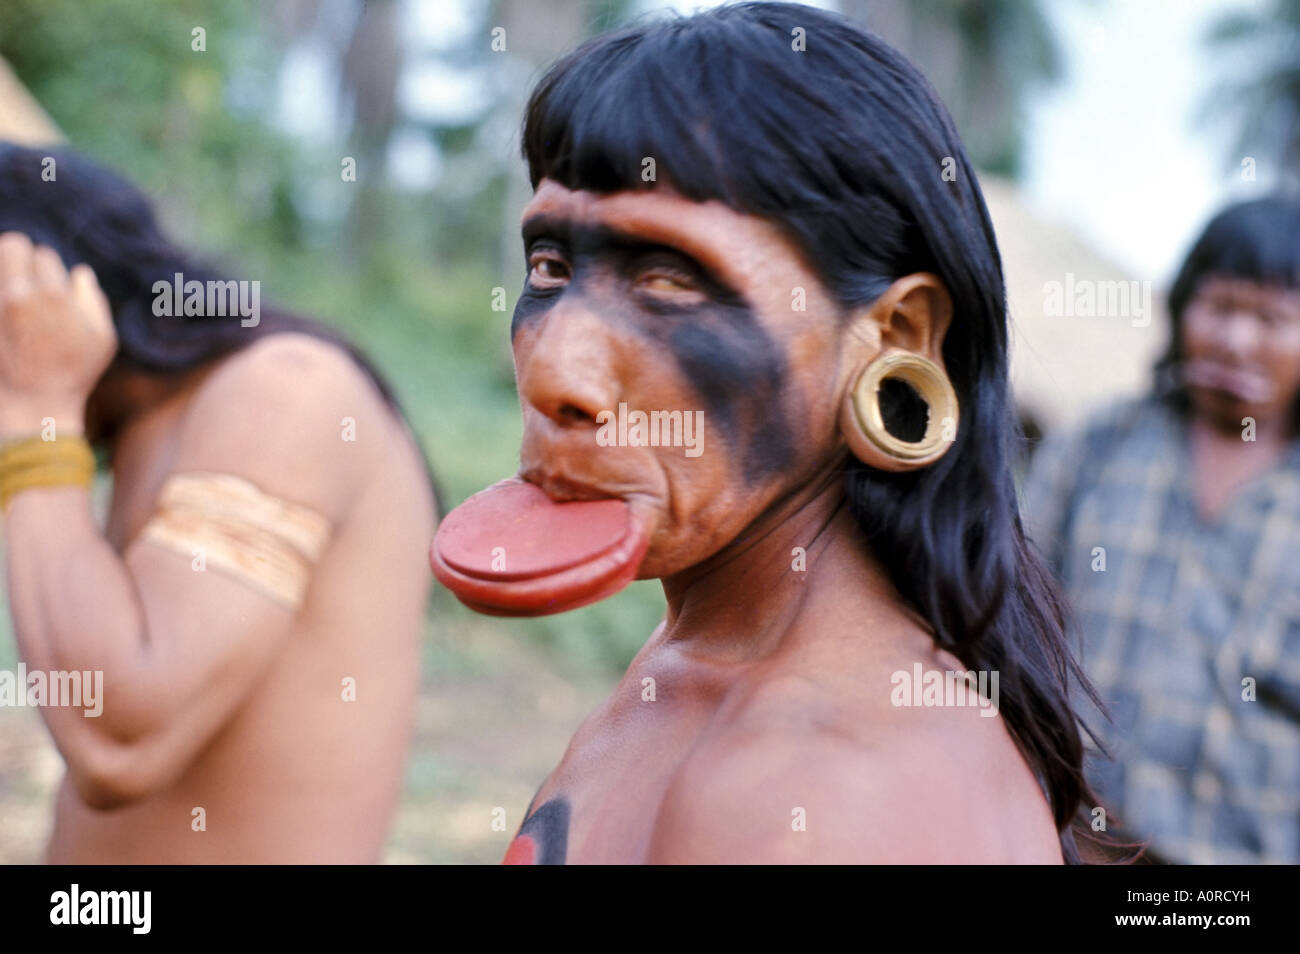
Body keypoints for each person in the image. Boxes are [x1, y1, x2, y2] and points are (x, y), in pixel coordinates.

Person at [434, 2, 1111, 863]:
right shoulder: (696, 655)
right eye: (551, 267)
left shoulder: (827, 784)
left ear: (896, 337)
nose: (555, 374)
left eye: (667, 278)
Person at [0, 143, 437, 862]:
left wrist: (37, 406)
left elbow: (118, 742)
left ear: (46, 302)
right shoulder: (146, 425)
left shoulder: (284, 388)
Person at [1024, 197, 1300, 864]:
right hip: (1064, 843)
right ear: (1181, 312)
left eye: (1270, 318)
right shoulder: (1099, 445)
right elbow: (1013, 614)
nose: (1236, 339)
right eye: (1220, 307)